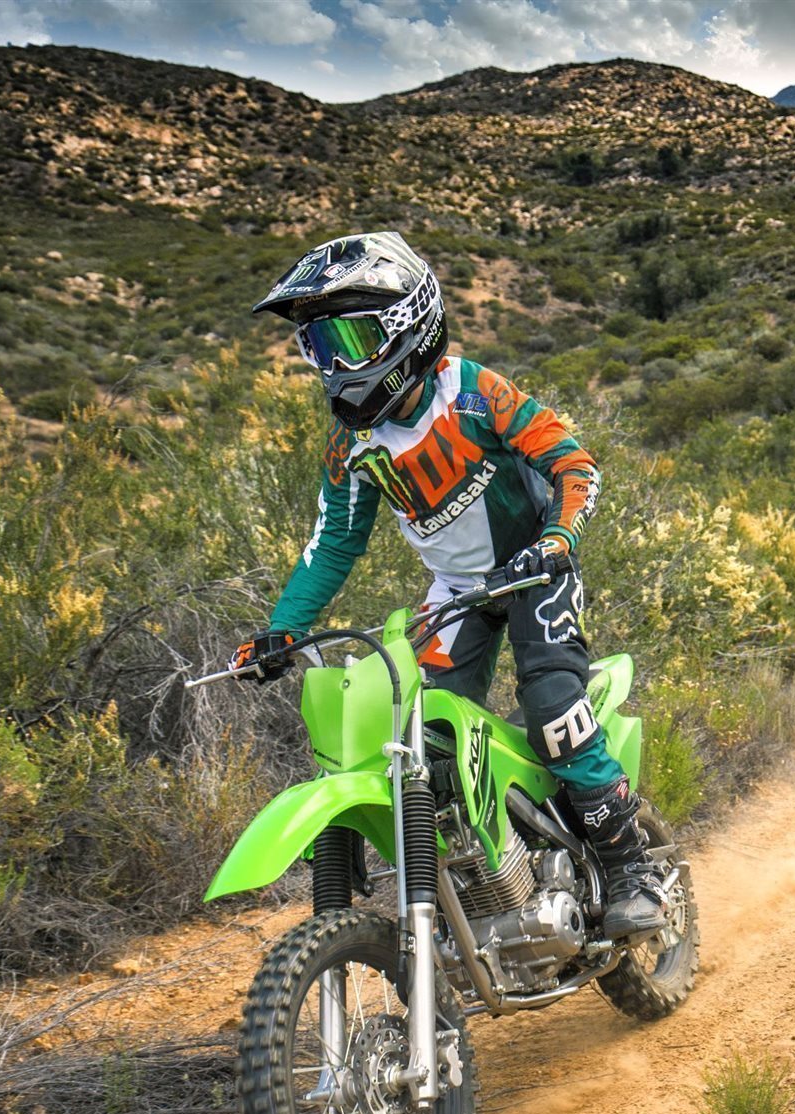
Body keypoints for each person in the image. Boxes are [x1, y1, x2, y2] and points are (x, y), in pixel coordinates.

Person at [230, 231, 664, 941]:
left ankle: (629, 868)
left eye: (348, 340)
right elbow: (333, 544)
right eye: (319, 347)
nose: (334, 366)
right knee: (418, 733)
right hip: (457, 589)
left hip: (533, 568)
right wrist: (283, 628)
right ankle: (482, 885)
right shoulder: (353, 445)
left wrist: (557, 540)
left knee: (553, 707)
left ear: (408, 326)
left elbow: (573, 465)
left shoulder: (474, 393)